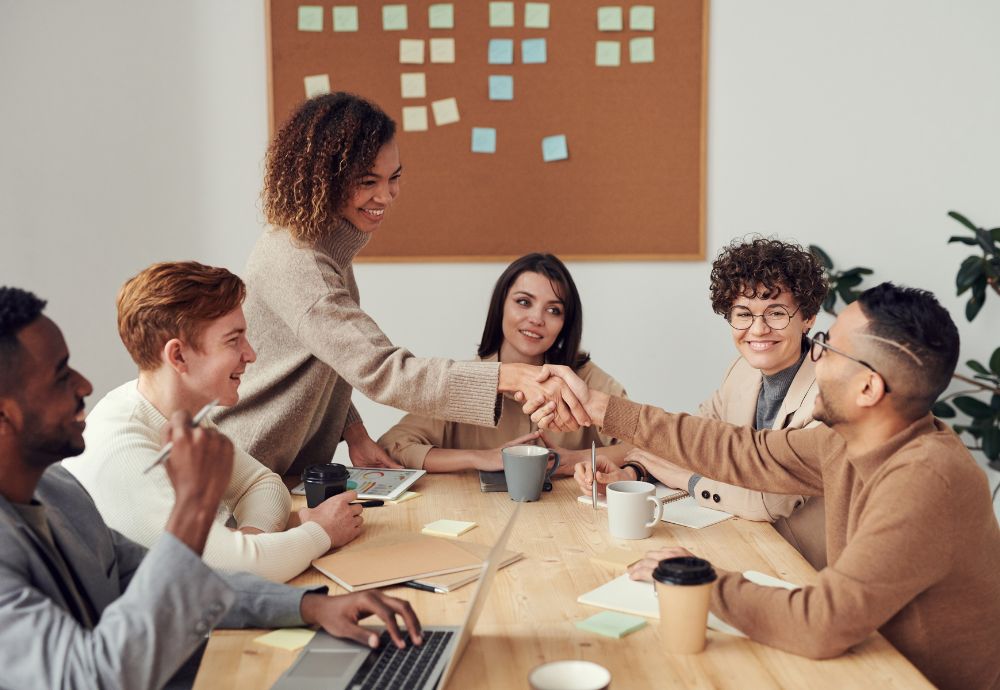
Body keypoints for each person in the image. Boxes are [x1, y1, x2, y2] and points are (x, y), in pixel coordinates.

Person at [542, 283, 1000, 690]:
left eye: (826, 347)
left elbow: (821, 622)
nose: (812, 355)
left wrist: (702, 581)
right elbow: (744, 451)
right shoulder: (848, 442)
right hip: (866, 659)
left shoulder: (925, 479)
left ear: (868, 388)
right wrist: (603, 409)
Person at [0, 287, 422, 690]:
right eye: (59, 378)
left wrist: (309, 607)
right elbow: (94, 680)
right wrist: (194, 508)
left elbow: (186, 582)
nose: (84, 386)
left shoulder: (57, 490)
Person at [214, 92, 587, 477]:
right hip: (244, 470)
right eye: (367, 181)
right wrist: (506, 376)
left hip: (281, 472)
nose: (385, 196)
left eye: (394, 178)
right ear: (323, 180)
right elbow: (383, 370)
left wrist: (354, 432)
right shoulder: (300, 263)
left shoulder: (323, 247)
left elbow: (330, 358)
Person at [63, 262, 360, 583]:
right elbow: (225, 574)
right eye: (233, 341)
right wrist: (320, 532)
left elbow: (262, 485)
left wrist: (250, 543)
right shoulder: (123, 450)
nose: (250, 355)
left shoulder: (179, 413)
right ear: (177, 357)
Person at [576, 238, 830, 568]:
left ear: (808, 316)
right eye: (743, 314)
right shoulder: (741, 371)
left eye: (776, 313)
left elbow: (766, 501)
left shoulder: (827, 394)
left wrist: (688, 480)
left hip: (803, 567)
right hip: (744, 543)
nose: (758, 329)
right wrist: (633, 471)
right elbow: (691, 440)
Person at [378, 253, 631, 475]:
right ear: (500, 306)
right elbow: (393, 446)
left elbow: (647, 446)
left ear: (566, 323)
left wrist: (576, 459)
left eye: (553, 310)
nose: (536, 319)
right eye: (524, 302)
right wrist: (481, 457)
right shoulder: (464, 381)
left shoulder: (587, 380)